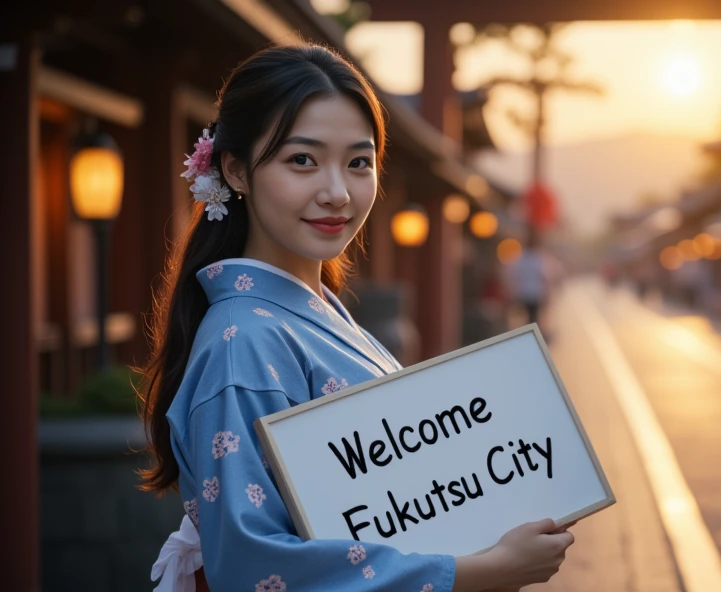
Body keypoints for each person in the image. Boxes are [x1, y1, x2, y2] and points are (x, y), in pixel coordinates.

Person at [140, 44, 575, 592]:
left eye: (358, 162)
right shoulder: (243, 341)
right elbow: (256, 567)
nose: (337, 193)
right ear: (236, 169)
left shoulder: (313, 312)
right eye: (302, 160)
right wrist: (474, 573)